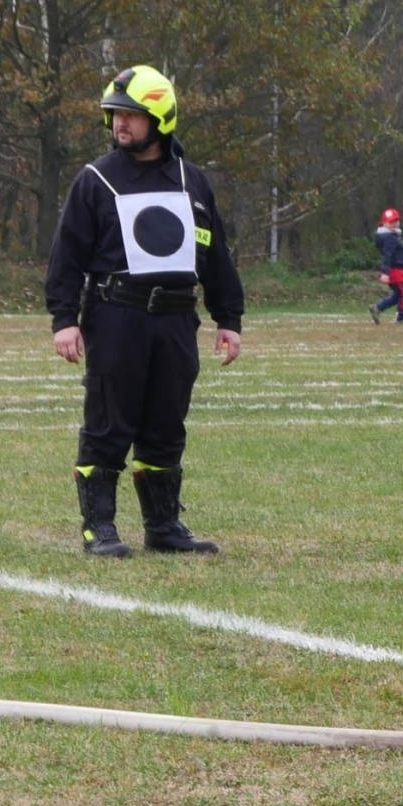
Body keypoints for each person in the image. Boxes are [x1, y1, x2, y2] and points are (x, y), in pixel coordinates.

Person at [46, 64, 244, 558]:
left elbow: (215, 252)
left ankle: (164, 526)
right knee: (110, 422)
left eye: (131, 116)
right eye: (114, 116)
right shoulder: (95, 180)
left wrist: (229, 318)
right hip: (116, 317)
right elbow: (66, 254)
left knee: (165, 424)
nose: (120, 126)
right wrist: (64, 319)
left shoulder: (190, 180)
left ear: (160, 118)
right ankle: (101, 528)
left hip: (177, 320)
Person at [370, 206, 403, 324]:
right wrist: (385, 272)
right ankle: (400, 317)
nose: (394, 224)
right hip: (396, 270)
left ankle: (377, 308)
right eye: (391, 222)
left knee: (397, 295)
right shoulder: (389, 238)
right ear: (384, 223)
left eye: (396, 221)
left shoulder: (392, 236)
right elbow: (387, 255)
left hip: (398, 269)